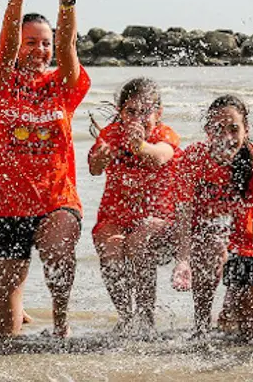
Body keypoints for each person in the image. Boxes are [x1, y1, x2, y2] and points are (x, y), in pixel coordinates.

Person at [0, 0, 89, 338]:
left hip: (56, 200)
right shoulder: (0, 82)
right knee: (0, 335)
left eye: (46, 43)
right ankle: (15, 311)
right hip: (5, 206)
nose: (40, 50)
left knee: (58, 250)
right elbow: (5, 45)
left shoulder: (64, 85)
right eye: (31, 42)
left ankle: (61, 325)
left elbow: (69, 48)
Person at [171, 95, 253, 339]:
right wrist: (183, 260)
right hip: (204, 241)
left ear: (246, 129)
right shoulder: (194, 158)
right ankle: (201, 327)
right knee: (213, 244)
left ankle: (231, 302)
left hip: (246, 246)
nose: (227, 137)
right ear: (207, 130)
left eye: (234, 129)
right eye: (218, 129)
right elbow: (184, 216)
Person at [89, 77, 181, 334]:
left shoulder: (165, 134)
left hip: (159, 220)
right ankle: (126, 317)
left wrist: (139, 146)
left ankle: (145, 316)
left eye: (146, 112)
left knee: (138, 241)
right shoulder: (110, 134)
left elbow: (162, 156)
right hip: (115, 218)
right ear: (120, 112)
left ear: (158, 113)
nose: (138, 119)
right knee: (110, 248)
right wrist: (100, 157)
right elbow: (95, 169)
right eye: (131, 112)